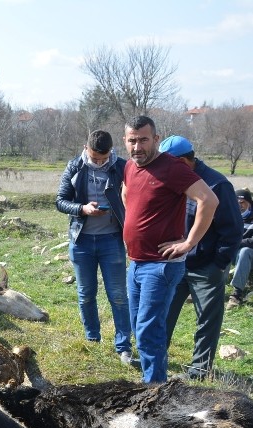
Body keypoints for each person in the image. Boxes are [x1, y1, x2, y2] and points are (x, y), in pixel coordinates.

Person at [121, 117, 218, 384]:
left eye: (143, 139)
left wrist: (188, 243)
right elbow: (127, 192)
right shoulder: (130, 166)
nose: (137, 146)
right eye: (132, 140)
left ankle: (154, 390)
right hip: (136, 262)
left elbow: (208, 200)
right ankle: (153, 383)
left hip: (161, 264)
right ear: (125, 141)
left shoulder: (172, 167)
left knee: (149, 329)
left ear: (155, 139)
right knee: (139, 327)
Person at [158, 136, 243, 381]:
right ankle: (155, 357)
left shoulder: (217, 185)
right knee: (163, 312)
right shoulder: (173, 181)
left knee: (207, 319)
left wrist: (218, 264)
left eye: (169, 164)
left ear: (184, 161)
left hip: (206, 266)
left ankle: (199, 369)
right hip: (175, 262)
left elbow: (233, 229)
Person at [55, 130, 133, 365]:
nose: (99, 162)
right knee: (86, 294)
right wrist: (82, 209)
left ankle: (124, 347)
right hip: (82, 241)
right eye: (95, 158)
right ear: (85, 148)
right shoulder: (75, 166)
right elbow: (60, 201)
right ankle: (92, 340)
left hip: (112, 240)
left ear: (111, 151)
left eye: (103, 158)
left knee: (118, 295)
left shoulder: (122, 166)